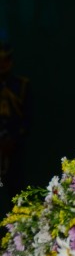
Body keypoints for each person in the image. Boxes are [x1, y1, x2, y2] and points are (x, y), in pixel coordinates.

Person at [0, 41, 31, 200]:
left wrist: (14, 140)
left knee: (17, 191)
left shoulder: (22, 85)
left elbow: (27, 118)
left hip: (14, 147)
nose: (2, 64)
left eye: (6, 60)